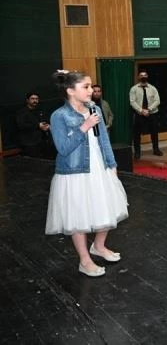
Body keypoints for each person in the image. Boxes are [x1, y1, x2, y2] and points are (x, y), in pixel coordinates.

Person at [46, 70, 128, 278]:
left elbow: (104, 140)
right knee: (78, 215)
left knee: (107, 207)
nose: (91, 90)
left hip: (100, 168)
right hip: (75, 173)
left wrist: (112, 164)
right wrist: (84, 127)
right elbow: (63, 148)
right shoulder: (59, 116)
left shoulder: (95, 109)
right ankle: (84, 260)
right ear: (70, 91)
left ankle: (99, 246)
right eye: (86, 86)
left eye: (91, 86)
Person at [129, 70, 162, 159]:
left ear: (147, 77)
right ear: (138, 77)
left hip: (152, 113)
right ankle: (137, 152)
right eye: (141, 75)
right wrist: (141, 110)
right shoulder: (134, 89)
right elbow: (132, 102)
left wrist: (149, 109)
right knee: (137, 134)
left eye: (145, 75)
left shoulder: (153, 88)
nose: (143, 76)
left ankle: (156, 150)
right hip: (139, 114)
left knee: (154, 132)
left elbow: (157, 101)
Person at [15, 92, 52, 158]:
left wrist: (47, 126)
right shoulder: (22, 112)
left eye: (36, 99)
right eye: (32, 99)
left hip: (42, 141)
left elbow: (45, 121)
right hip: (29, 143)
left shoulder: (40, 111)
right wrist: (38, 125)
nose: (35, 101)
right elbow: (21, 125)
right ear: (27, 100)